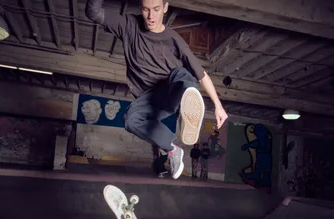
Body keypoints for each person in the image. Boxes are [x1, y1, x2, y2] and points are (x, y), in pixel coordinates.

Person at [86, 0, 228, 179]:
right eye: (146, 10)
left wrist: (218, 105)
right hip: (150, 100)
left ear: (165, 8)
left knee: (182, 74)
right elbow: (94, 13)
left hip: (172, 91)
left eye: (156, 10)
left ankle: (188, 105)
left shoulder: (174, 39)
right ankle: (172, 149)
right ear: (140, 8)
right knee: (130, 120)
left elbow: (202, 74)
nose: (151, 16)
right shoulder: (129, 26)